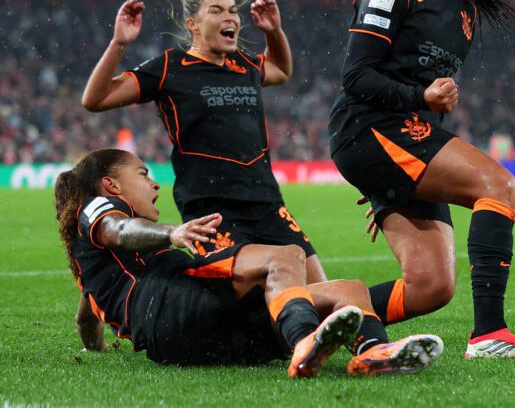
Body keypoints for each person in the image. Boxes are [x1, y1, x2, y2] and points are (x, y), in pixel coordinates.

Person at [328, 0, 515, 359]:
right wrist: (417, 98)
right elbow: (355, 76)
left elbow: (423, 93)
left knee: (431, 286)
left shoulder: (466, 7)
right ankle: (489, 334)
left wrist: (391, 178)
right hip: (368, 127)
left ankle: (307, 317)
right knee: (498, 185)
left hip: (398, 142)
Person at [54, 148, 443, 375]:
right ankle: (305, 339)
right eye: (143, 174)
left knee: (349, 289)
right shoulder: (97, 208)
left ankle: (372, 353)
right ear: (111, 185)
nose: (155, 184)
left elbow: (85, 316)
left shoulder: (93, 271)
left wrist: (95, 349)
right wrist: (172, 233)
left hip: (210, 341)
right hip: (171, 306)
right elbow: (119, 232)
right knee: (283, 257)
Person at [81, 0, 327, 283]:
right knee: (256, 298)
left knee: (321, 289)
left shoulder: (244, 64)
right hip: (212, 208)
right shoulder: (171, 67)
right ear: (193, 25)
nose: (231, 18)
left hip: (266, 202)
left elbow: (280, 70)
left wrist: (274, 31)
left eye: (234, 11)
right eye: (217, 10)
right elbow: (95, 99)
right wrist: (119, 43)